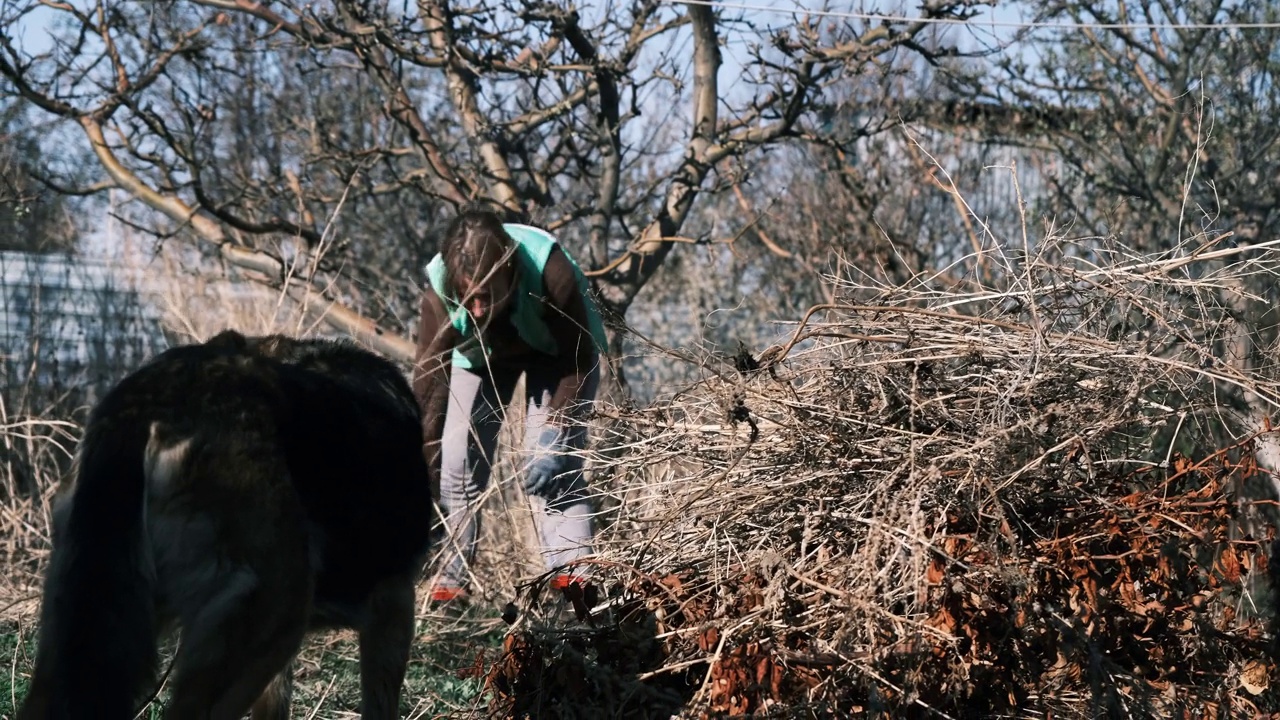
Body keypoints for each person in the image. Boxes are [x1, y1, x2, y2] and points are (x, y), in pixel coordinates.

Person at [411, 207, 609, 603]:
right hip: (482, 359)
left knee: (554, 468)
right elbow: (429, 388)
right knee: (455, 465)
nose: (478, 309)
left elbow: (580, 361)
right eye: (469, 298)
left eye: (486, 295)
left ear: (508, 270)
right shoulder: (440, 289)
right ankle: (450, 585)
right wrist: (421, 477)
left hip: (561, 362)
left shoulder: (551, 272)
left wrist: (556, 431)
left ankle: (575, 589)